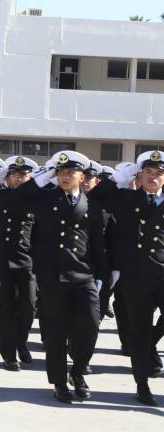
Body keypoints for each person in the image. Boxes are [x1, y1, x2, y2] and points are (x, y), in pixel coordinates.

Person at [9, 150, 105, 403]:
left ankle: (77, 370)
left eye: (70, 172)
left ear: (81, 176)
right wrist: (40, 178)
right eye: (60, 172)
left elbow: (97, 243)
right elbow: (14, 201)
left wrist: (100, 276)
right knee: (55, 332)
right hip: (52, 275)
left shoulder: (92, 204)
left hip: (83, 275)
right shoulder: (44, 198)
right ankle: (60, 381)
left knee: (91, 325)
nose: (64, 176)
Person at [86, 151, 164, 406]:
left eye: (159, 174)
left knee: (146, 338)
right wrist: (120, 177)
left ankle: (150, 347)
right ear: (139, 175)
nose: (153, 178)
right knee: (138, 333)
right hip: (135, 277)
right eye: (148, 173)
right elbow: (94, 197)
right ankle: (142, 384)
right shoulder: (127, 198)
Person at [0, 155, 39, 372]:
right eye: (14, 175)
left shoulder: (38, 199)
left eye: (23, 175)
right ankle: (9, 354)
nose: (18, 179)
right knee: (7, 310)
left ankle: (21, 342)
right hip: (3, 261)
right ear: (7, 178)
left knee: (28, 307)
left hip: (28, 261)